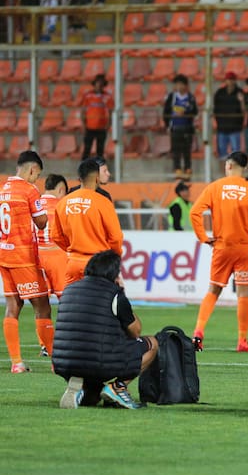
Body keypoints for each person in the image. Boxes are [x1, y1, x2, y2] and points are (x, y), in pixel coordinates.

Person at [53, 251, 158, 409]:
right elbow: (135, 331)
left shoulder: (69, 290)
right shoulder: (114, 294)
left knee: (92, 399)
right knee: (152, 343)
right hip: (99, 362)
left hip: (64, 362)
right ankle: (117, 388)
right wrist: (122, 293)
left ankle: (79, 383)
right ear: (114, 273)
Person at [190, 151, 248, 352]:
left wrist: (204, 237)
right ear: (244, 168)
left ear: (228, 165)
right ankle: (242, 341)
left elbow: (195, 212)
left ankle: (198, 332)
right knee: (243, 294)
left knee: (214, 290)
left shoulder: (215, 187)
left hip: (222, 247)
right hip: (244, 249)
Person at [0, 151, 53, 373]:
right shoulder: (29, 190)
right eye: (37, 175)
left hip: (4, 254)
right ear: (32, 170)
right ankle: (55, 361)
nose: (36, 179)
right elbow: (41, 223)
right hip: (23, 257)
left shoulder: (3, 189)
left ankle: (17, 363)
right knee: (42, 306)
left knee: (13, 306)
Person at [51, 158, 123, 286]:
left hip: (73, 263)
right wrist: (113, 257)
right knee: (97, 303)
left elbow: (56, 236)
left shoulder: (63, 202)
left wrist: (72, 249)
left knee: (72, 303)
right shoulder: (103, 202)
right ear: (96, 178)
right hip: (97, 264)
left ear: (80, 178)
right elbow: (116, 237)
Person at [37, 174, 68, 303]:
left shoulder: (34, 203)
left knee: (41, 305)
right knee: (66, 300)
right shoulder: (62, 205)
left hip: (36, 256)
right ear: (61, 190)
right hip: (57, 255)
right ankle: (65, 324)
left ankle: (44, 324)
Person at [163, 73, 198, 178]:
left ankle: (188, 168)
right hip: (175, 127)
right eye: (177, 84)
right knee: (176, 149)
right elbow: (166, 112)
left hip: (187, 127)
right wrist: (167, 125)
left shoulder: (190, 98)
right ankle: (177, 168)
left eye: (181, 84)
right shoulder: (172, 97)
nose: (179, 87)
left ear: (185, 85)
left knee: (187, 149)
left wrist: (186, 114)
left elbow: (195, 111)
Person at [213, 71, 245, 166]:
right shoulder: (220, 93)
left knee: (236, 154)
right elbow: (215, 109)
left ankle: (235, 176)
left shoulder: (240, 93)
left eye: (232, 80)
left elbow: (243, 110)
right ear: (225, 81)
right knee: (222, 153)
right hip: (222, 127)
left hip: (235, 128)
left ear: (235, 81)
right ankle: (224, 176)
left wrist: (242, 101)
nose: (230, 82)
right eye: (228, 80)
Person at [80, 74, 113, 160]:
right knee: (87, 149)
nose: (99, 86)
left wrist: (108, 125)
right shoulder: (88, 96)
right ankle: (83, 170)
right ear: (94, 84)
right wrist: (83, 125)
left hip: (101, 128)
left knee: (100, 151)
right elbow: (83, 111)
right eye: (98, 83)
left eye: (101, 84)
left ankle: (100, 170)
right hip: (89, 127)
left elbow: (110, 112)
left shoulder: (107, 97)